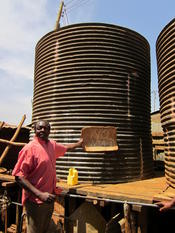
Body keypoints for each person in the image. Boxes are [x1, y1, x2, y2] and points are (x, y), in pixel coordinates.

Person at [12, 120, 83, 233]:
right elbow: (18, 177)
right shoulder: (30, 149)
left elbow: (65, 148)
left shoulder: (51, 145)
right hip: (35, 201)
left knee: (46, 229)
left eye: (45, 128)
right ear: (35, 130)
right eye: (39, 128)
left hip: (49, 199)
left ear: (49, 130)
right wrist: (40, 194)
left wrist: (79, 144)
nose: (42, 130)